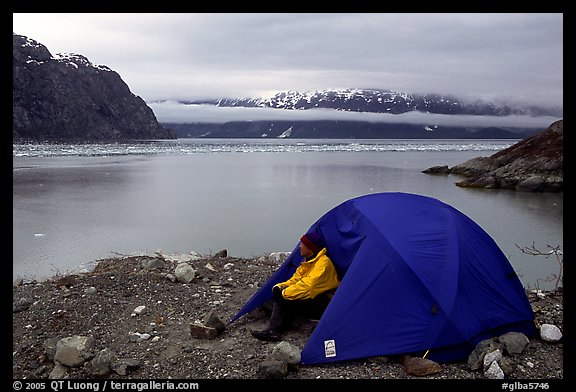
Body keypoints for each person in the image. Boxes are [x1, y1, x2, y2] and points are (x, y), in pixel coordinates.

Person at [251, 232, 340, 342]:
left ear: (311, 248)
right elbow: (295, 280)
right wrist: (279, 287)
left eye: (302, 244)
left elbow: (308, 287)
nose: (299, 246)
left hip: (324, 302)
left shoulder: (323, 264)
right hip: (311, 298)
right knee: (267, 299)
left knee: (283, 300)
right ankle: (299, 322)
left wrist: (284, 294)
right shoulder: (308, 262)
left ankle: (273, 331)